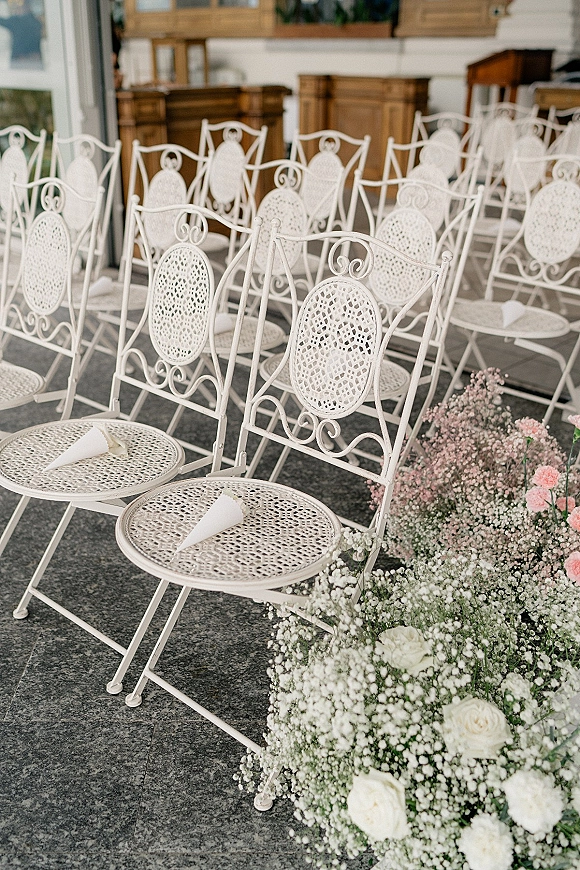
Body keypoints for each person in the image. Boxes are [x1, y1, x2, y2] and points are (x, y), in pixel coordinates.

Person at [0, 0, 42, 65]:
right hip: (34, 59)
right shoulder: (36, 23)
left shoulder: (16, 22)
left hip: (19, 59)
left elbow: (2, 21)